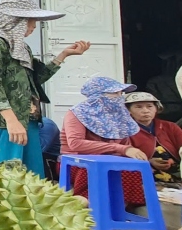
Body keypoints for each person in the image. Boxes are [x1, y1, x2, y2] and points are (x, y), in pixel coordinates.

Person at [0, 0, 91, 175]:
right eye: (31, 22)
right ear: (16, 21)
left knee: (31, 177)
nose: (34, 27)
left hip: (28, 119)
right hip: (3, 122)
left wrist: (63, 55)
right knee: (3, 175)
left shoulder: (21, 47)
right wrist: (11, 121)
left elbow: (34, 80)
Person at [60, 76, 148, 204]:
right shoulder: (76, 113)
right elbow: (76, 144)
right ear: (97, 96)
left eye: (120, 93)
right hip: (77, 162)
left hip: (110, 161)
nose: (119, 97)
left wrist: (127, 152)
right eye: (114, 93)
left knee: (131, 168)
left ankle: (121, 208)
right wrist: (120, 149)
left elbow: (125, 145)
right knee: (99, 168)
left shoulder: (120, 115)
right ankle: (84, 201)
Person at [125, 91, 182, 184]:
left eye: (149, 106)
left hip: (178, 171)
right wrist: (149, 162)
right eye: (138, 107)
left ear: (156, 109)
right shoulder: (125, 130)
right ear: (128, 110)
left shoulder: (171, 126)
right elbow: (124, 155)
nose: (145, 110)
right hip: (145, 173)